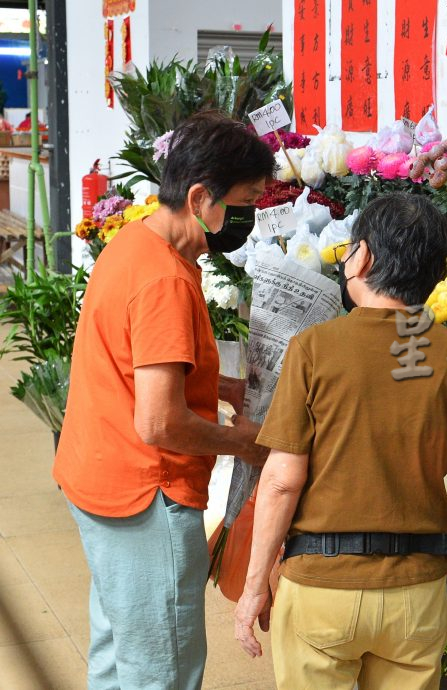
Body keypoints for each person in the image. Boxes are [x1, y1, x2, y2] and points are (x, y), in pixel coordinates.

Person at [234, 193, 447, 690]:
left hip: (321, 587)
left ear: (366, 257)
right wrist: (440, 551)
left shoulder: (313, 349)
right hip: (417, 591)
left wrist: (253, 589)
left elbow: (281, 483)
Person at [54, 111, 274, 690]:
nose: (247, 216)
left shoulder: (138, 244)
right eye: (244, 200)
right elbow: (157, 421)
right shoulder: (166, 281)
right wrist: (242, 444)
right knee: (163, 671)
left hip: (99, 475)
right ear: (201, 196)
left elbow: (146, 370)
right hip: (143, 496)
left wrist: (224, 388)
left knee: (120, 649)